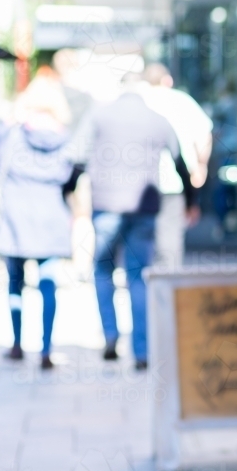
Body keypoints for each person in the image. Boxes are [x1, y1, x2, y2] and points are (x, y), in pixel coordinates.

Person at [74, 79, 196, 370]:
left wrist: (67, 191)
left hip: (105, 206)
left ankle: (110, 334)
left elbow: (77, 158)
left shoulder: (99, 115)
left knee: (102, 269)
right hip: (144, 208)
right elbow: (181, 166)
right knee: (138, 276)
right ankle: (142, 351)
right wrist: (192, 201)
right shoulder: (158, 120)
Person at [0, 79, 80, 369]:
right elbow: (70, 177)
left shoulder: (14, 132)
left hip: (15, 216)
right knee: (48, 282)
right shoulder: (64, 137)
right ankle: (46, 349)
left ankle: (17, 344)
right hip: (51, 215)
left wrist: (10, 118)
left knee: (15, 282)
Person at [139, 62, 211, 269]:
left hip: (142, 183)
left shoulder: (142, 102)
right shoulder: (182, 101)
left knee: (141, 238)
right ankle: (168, 288)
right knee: (170, 239)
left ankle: (145, 286)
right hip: (175, 181)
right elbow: (204, 135)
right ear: (167, 80)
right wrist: (201, 165)